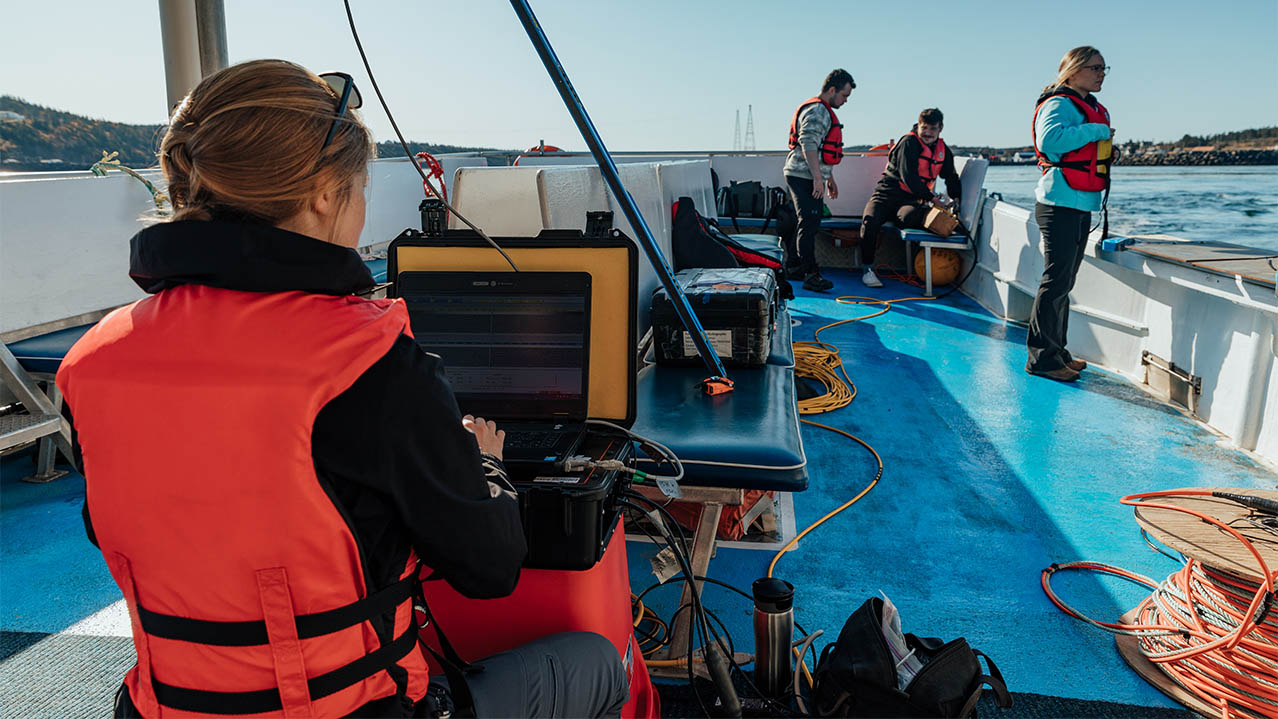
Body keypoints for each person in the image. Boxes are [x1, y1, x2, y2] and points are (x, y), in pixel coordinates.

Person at [55, 59, 628, 719]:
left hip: (164, 709)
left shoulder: (92, 362)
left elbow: (117, 528)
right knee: (596, 661)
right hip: (356, 711)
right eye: (359, 190)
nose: (359, 212)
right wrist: (484, 461)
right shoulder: (374, 367)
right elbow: (491, 567)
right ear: (325, 195)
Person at [1025, 46, 1115, 382]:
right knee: (1055, 281)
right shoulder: (1058, 103)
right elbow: (1050, 140)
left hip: (1080, 205)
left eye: (1105, 68)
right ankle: (1041, 360)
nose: (1101, 73)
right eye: (1095, 68)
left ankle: (1058, 351)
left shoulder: (1090, 106)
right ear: (1073, 71)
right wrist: (1098, 132)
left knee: (1065, 283)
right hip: (1058, 204)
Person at [858, 108, 962, 289]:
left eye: (933, 129)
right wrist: (932, 198)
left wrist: (956, 198)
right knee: (870, 221)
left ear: (940, 129)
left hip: (909, 201)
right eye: (924, 128)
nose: (928, 133)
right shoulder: (909, 143)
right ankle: (867, 269)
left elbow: (950, 176)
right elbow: (909, 177)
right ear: (918, 126)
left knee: (908, 218)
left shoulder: (942, 150)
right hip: (885, 196)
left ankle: (916, 266)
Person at [784, 68, 855, 292]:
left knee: (805, 222)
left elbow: (822, 149)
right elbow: (808, 142)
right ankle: (810, 274)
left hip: (805, 174)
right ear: (832, 90)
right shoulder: (818, 111)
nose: (844, 101)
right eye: (844, 96)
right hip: (803, 175)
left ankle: (795, 266)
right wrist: (817, 178)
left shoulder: (820, 109)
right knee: (810, 223)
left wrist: (828, 177)